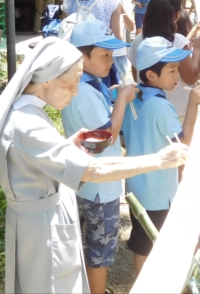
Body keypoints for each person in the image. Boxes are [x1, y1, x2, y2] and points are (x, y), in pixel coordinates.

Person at [0, 37, 189, 294]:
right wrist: (159, 160)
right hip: (41, 229)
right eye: (70, 85)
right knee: (47, 284)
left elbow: (37, 157)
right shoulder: (27, 124)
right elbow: (94, 170)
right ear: (48, 80)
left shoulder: (28, 111)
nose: (76, 92)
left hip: (41, 219)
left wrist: (67, 145)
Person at [60, 19, 136, 294]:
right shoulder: (85, 93)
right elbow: (106, 138)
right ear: (82, 57)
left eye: (111, 54)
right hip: (100, 186)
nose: (110, 61)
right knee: (100, 250)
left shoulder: (87, 84)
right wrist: (121, 101)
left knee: (93, 242)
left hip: (89, 182)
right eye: (104, 55)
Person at [122, 36, 200, 274]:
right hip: (159, 192)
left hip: (135, 187)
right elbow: (183, 143)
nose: (177, 75)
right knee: (159, 243)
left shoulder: (131, 99)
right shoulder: (162, 107)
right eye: (171, 70)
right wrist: (192, 105)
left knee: (143, 244)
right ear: (151, 75)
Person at [128, 0, 200, 120]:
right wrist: (198, 49)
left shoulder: (138, 41)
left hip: (146, 109)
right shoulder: (179, 42)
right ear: (177, 15)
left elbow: (137, 76)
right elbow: (190, 78)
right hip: (175, 111)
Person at [62, 0, 124, 86]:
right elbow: (117, 38)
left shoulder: (68, 2)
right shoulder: (112, 2)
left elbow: (64, 32)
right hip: (100, 65)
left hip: (74, 64)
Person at [101, 0, 135, 81]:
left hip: (118, 53)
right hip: (101, 53)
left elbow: (131, 26)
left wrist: (119, 6)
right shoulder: (98, 0)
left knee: (118, 89)